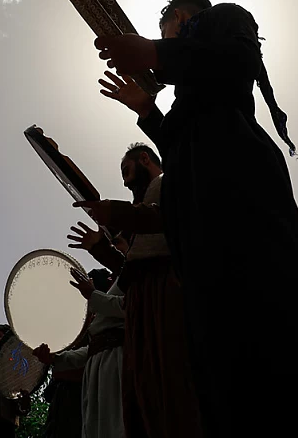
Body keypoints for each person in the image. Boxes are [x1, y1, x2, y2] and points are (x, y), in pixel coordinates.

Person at [82, 0, 298, 436]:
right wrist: (147, 110)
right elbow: (186, 149)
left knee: (286, 343)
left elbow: (232, 62)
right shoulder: (194, 101)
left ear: (180, 18)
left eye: (164, 30)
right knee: (227, 376)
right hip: (205, 249)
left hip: (245, 216)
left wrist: (153, 52)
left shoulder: (226, 18)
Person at [70, 143, 204, 438]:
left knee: (170, 393)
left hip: (165, 294)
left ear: (145, 158)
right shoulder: (143, 211)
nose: (125, 180)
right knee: (146, 401)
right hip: (145, 304)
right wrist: (101, 248)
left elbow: (153, 237)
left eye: (126, 171)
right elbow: (129, 269)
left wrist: (113, 213)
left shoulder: (166, 184)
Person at [33, 263, 126, 438]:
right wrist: (56, 358)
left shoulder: (133, 280)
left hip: (118, 367)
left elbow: (128, 307)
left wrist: (92, 295)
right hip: (93, 380)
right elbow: (92, 349)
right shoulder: (95, 323)